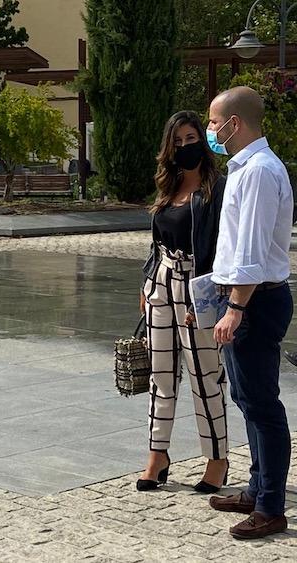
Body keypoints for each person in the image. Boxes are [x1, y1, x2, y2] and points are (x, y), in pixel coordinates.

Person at [206, 86, 293, 540]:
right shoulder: (243, 169)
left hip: (255, 301)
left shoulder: (259, 171)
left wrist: (236, 307)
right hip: (242, 298)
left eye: (214, 121)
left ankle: (271, 506)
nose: (211, 130)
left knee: (262, 405)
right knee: (247, 399)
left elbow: (252, 252)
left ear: (234, 124)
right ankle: (257, 487)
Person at [137, 111, 228, 494]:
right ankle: (157, 455)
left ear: (203, 143)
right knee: (160, 375)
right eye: (178, 142)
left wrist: (207, 298)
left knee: (205, 375)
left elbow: (222, 246)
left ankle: (217, 459)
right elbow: (156, 243)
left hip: (198, 288)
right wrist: (145, 285)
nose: (185, 147)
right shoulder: (167, 187)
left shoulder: (218, 189)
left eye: (192, 139)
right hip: (161, 284)